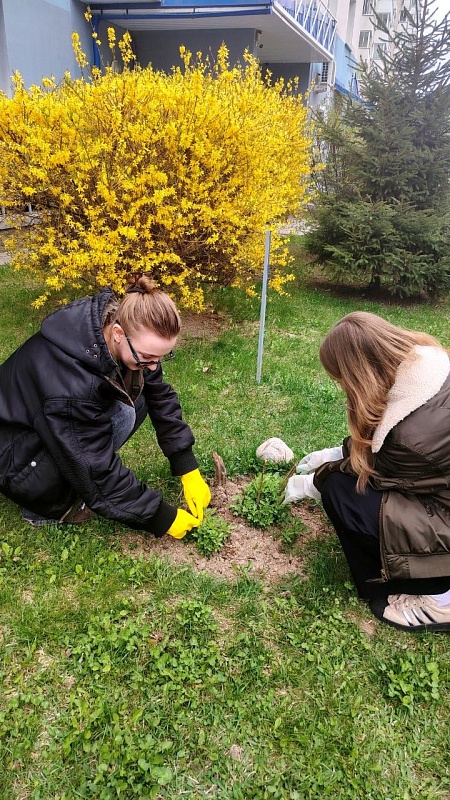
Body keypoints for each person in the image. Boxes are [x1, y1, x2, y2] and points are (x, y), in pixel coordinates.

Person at [0, 273, 211, 539]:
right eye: (148, 357)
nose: (154, 366)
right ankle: (45, 506)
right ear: (119, 334)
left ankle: (61, 484)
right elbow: (95, 468)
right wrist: (162, 517)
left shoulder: (112, 326)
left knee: (140, 390)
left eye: (162, 357)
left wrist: (186, 467)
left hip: (41, 427)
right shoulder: (71, 386)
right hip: (14, 460)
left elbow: (159, 395)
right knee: (113, 424)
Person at [284, 311, 450, 633]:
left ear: (357, 373)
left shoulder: (409, 436)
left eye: (340, 377)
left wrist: (313, 481)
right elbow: (376, 445)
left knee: (341, 491)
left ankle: (440, 599)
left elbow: (373, 470)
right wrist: (337, 452)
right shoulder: (428, 369)